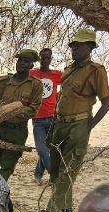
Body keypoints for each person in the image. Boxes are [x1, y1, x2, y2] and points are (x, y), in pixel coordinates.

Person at [40, 29, 109, 212]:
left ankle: (52, 210)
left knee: (69, 168)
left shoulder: (96, 70)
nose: (75, 48)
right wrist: (52, 129)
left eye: (80, 45)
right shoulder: (69, 70)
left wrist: (92, 123)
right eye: (73, 45)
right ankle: (66, 205)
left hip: (79, 124)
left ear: (90, 47)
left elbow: (107, 102)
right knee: (56, 168)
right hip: (59, 124)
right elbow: (59, 101)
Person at [0, 49, 43, 180]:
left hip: (17, 132)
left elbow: (33, 110)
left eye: (26, 61)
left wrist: (10, 112)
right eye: (19, 61)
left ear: (31, 66)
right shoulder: (4, 82)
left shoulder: (35, 84)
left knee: (5, 169)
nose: (21, 63)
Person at [31, 48, 63, 184]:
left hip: (52, 118)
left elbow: (70, 83)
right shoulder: (32, 73)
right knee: (42, 150)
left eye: (47, 58)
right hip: (37, 118)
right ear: (39, 59)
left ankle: (37, 175)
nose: (44, 61)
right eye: (42, 58)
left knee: (48, 148)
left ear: (51, 59)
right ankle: (55, 176)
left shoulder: (58, 75)